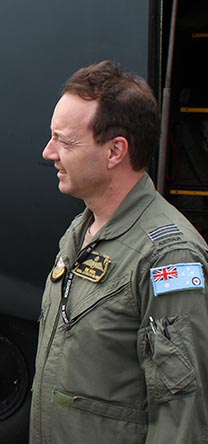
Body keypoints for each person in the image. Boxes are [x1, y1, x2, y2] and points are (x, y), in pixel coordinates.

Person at [31, 60, 208, 443]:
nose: (49, 152)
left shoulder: (168, 256)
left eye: (65, 140)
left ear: (115, 151)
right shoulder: (82, 232)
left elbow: (181, 412)